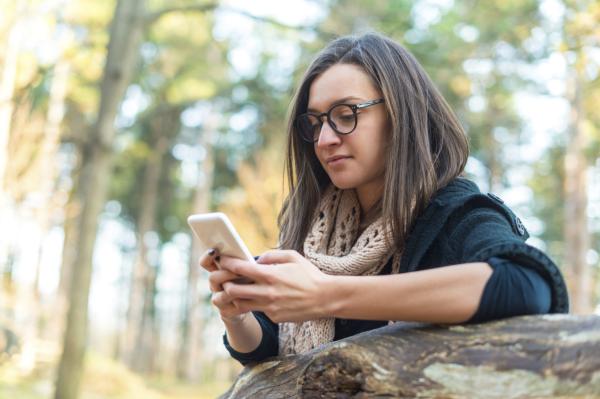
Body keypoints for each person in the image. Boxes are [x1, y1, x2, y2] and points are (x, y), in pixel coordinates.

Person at [199, 32, 569, 365]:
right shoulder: (316, 229)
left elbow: (525, 284)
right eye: (315, 123)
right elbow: (270, 348)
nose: (325, 139)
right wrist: (238, 314)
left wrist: (327, 294)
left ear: (400, 114)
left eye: (346, 114)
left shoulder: (454, 212)